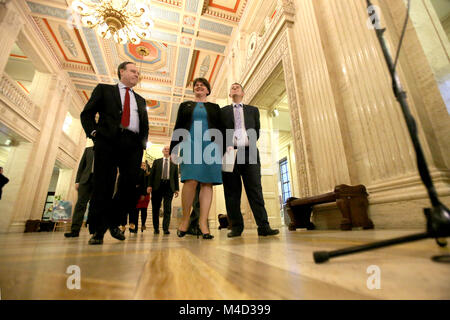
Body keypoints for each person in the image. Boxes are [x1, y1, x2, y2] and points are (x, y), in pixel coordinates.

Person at [80, 61, 149, 245]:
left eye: (138, 72)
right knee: (104, 184)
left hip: (133, 145)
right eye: (133, 71)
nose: (137, 74)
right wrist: (94, 133)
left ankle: (113, 220)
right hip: (108, 141)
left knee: (128, 185)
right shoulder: (104, 90)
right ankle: (98, 231)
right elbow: (86, 114)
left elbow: (145, 125)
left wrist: (142, 144)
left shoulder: (141, 100)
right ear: (122, 72)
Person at [221, 83, 279, 237]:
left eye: (237, 87)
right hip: (229, 154)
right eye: (232, 87)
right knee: (231, 193)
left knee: (255, 190)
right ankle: (236, 227)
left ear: (243, 93)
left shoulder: (253, 110)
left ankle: (263, 226)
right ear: (229, 94)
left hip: (250, 153)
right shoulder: (223, 112)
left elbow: (257, 131)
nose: (234, 88)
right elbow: (218, 133)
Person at [170, 78, 222, 240]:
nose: (199, 86)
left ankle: (203, 223)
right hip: (189, 142)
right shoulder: (185, 105)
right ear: (194, 90)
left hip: (211, 145)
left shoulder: (214, 107)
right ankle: (185, 220)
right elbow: (178, 126)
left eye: (202, 85)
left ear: (207, 90)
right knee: (190, 180)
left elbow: (220, 127)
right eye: (196, 85)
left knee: (207, 182)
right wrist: (174, 149)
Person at [148, 146, 179, 235]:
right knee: (155, 208)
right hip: (157, 186)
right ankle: (156, 228)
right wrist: (149, 186)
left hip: (169, 187)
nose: (167, 150)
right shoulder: (156, 162)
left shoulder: (174, 163)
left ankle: (165, 228)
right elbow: (151, 175)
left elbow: (175, 177)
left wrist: (176, 189)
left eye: (169, 149)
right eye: (165, 149)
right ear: (162, 151)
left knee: (167, 208)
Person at [65, 146, 94, 238]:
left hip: (99, 181)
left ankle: (94, 230)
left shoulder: (107, 149)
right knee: (80, 204)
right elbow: (81, 166)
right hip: (85, 181)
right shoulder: (88, 150)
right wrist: (77, 181)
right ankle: (75, 230)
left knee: (95, 206)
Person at [129, 162, 151, 233]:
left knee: (144, 211)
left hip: (146, 195)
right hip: (137, 194)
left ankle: (143, 224)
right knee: (136, 211)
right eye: (142, 165)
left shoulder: (148, 175)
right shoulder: (137, 174)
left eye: (144, 165)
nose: (143, 166)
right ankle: (135, 228)